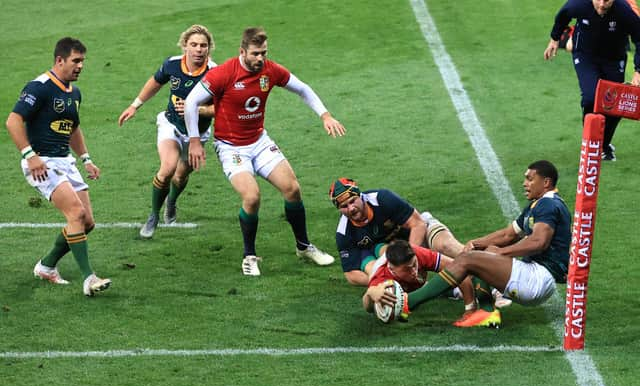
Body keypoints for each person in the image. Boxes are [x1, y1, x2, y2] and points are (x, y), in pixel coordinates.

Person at [183, 27, 345, 276]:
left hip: (259, 141)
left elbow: (303, 88)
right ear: (242, 51)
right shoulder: (224, 73)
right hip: (231, 147)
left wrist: (325, 115)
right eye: (256, 53)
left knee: (292, 189)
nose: (261, 59)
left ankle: (304, 246)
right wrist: (194, 141)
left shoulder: (270, 70)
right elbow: (192, 101)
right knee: (252, 197)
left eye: (264, 53)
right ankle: (249, 256)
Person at [368, 160, 571, 327]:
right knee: (485, 251)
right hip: (535, 275)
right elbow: (509, 234)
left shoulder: (548, 204)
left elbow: (539, 242)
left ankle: (408, 303)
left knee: (470, 260)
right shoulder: (538, 205)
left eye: (529, 179)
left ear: (546, 183)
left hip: (537, 278)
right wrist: (477, 243)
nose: (524, 183)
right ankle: (487, 312)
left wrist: (501, 254)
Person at [5, 37, 111, 297]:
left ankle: (46, 266)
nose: (80, 66)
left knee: (87, 223)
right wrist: (30, 155)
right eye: (76, 61)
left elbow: (72, 127)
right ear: (59, 60)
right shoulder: (39, 87)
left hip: (65, 161)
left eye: (82, 61)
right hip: (42, 162)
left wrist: (86, 158)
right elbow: (13, 121)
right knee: (75, 214)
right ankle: (89, 278)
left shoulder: (74, 92)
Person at [118, 25, 217, 239]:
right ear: (185, 46)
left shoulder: (215, 74)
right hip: (171, 125)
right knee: (167, 169)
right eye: (194, 45)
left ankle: (171, 202)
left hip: (197, 134)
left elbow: (223, 108)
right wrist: (134, 105)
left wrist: (197, 109)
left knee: (180, 177)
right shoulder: (172, 64)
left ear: (209, 49)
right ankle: (153, 215)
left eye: (203, 45)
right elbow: (155, 82)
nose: (199, 49)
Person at [544, 0, 640, 161]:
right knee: (590, 98)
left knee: (615, 105)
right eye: (598, 0)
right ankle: (590, 142)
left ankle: (603, 145)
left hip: (614, 60)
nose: (602, 4)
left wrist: (638, 70)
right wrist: (554, 39)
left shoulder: (624, 11)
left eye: (607, 0)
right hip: (585, 55)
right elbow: (563, 15)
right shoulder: (578, 5)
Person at [329, 177, 464, 286]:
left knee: (445, 245)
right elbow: (351, 274)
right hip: (394, 254)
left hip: (418, 234)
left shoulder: (383, 199)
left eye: (353, 201)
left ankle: (479, 263)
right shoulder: (344, 233)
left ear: (360, 196)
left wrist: (412, 257)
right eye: (344, 206)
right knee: (395, 270)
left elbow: (418, 224)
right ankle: (450, 288)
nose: (351, 208)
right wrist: (385, 281)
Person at [362, 240, 480, 323]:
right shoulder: (382, 278)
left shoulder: (418, 253)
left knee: (472, 277)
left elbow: (460, 268)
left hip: (415, 286)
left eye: (414, 264)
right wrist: (369, 294)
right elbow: (369, 308)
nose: (414, 270)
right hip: (404, 287)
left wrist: (470, 308)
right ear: (392, 268)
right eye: (407, 269)